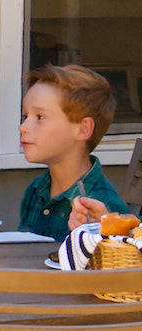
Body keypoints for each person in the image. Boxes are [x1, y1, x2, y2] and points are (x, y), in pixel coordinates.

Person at [18, 63, 128, 242]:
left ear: (83, 129)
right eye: (25, 116)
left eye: (40, 117)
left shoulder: (103, 206)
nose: (23, 127)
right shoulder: (35, 191)